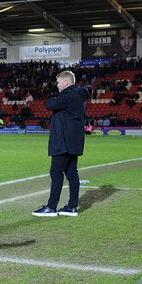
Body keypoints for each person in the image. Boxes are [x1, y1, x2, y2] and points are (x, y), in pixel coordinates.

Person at [33, 71, 90, 217]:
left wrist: (52, 98)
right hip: (74, 141)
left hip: (63, 141)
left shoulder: (68, 95)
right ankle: (71, 207)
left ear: (65, 83)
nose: (57, 85)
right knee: (71, 173)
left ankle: (51, 207)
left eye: (58, 82)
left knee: (56, 172)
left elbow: (50, 104)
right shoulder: (79, 95)